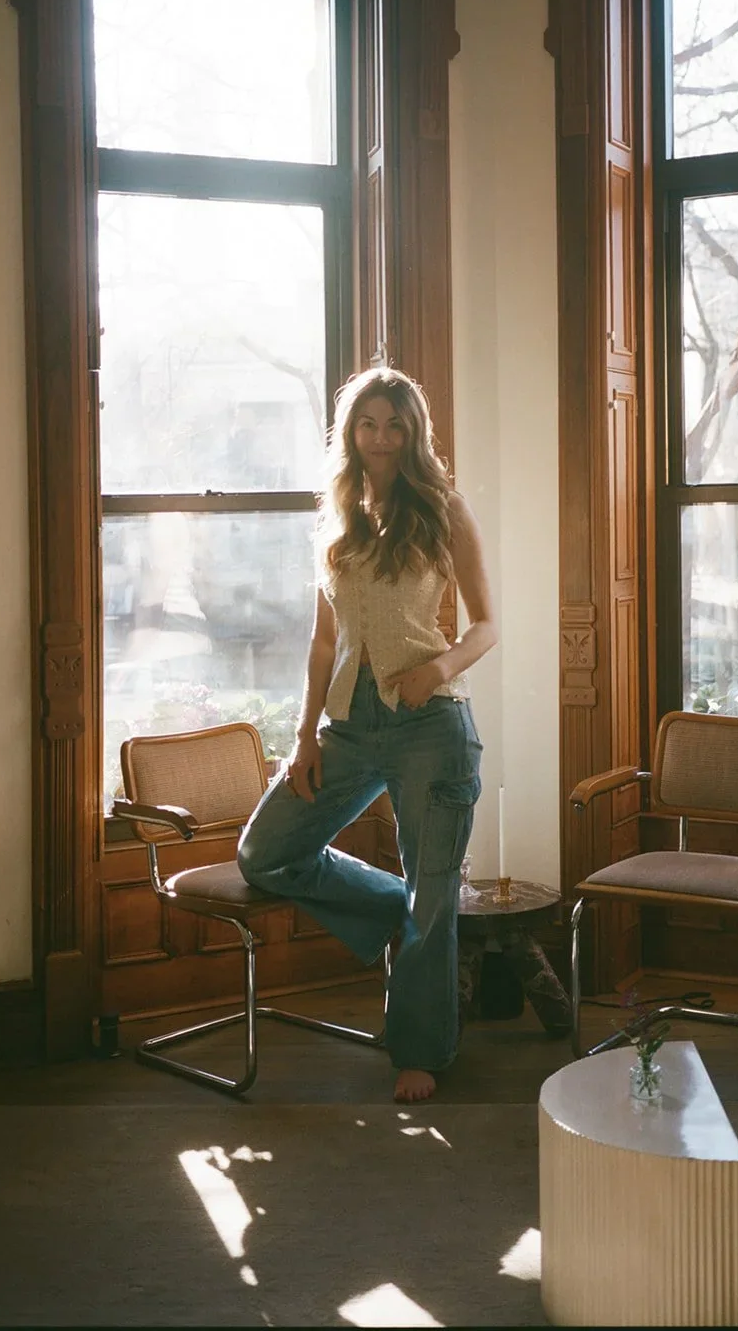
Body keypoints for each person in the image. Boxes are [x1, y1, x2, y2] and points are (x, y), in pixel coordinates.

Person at [237, 366, 497, 1103]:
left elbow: (488, 623)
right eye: (367, 423)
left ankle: (420, 1050)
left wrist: (438, 668)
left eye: (394, 423)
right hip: (348, 724)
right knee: (266, 851)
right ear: (349, 433)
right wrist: (305, 737)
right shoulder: (338, 515)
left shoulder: (444, 509)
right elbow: (326, 643)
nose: (381, 437)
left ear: (413, 432)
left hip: (430, 725)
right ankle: (407, 911)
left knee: (433, 891)